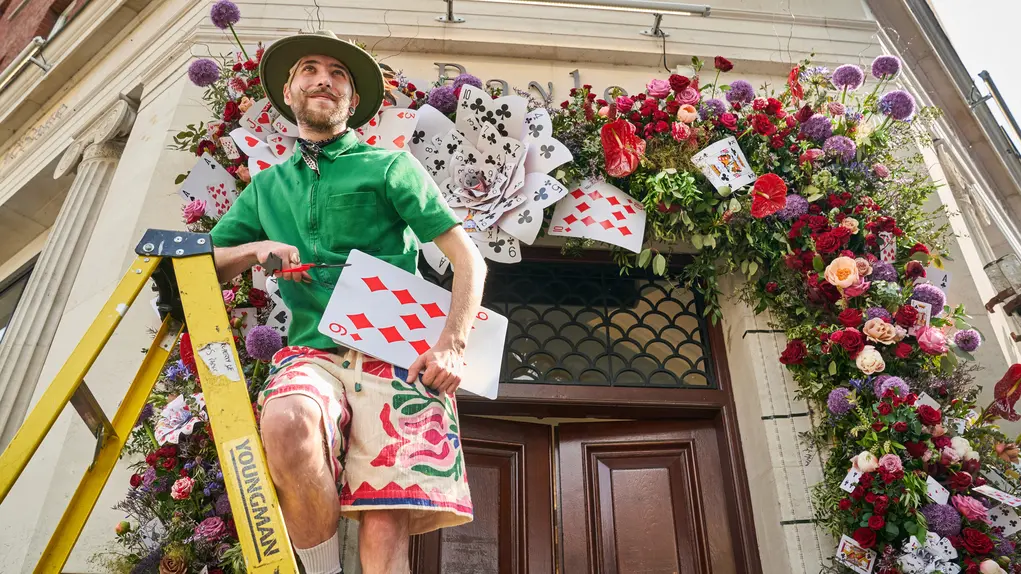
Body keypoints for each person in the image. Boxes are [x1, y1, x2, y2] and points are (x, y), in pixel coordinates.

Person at [209, 30, 486, 574]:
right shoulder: (264, 189)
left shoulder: (389, 166)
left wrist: (453, 345)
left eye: (338, 75)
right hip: (314, 353)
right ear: (287, 93)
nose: (324, 81)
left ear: (353, 102)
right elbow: (200, 265)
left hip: (401, 359)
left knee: (385, 527)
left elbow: (468, 259)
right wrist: (253, 247)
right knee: (286, 419)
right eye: (309, 70)